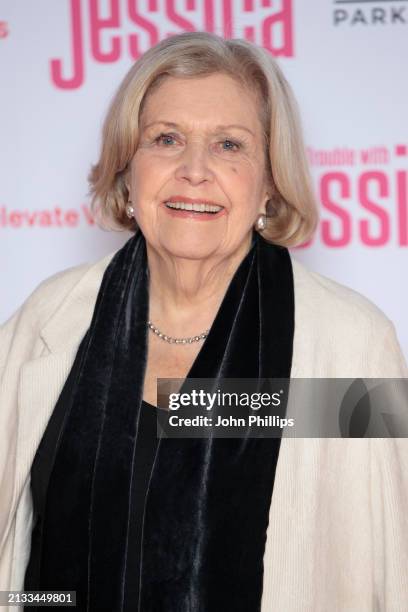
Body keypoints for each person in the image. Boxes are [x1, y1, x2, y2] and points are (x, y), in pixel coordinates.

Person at [0, 31, 407, 612]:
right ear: (128, 168)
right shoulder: (50, 318)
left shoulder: (355, 342)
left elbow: (396, 567)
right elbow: (17, 567)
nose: (194, 170)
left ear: (268, 181)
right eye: (166, 139)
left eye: (228, 145)